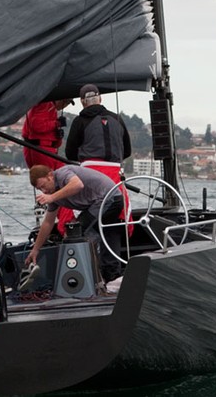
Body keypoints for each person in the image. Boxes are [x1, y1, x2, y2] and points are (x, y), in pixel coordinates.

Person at [25, 163, 124, 284]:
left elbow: (77, 184)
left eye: (44, 185)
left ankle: (96, 280)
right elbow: (48, 222)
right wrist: (35, 250)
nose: (44, 191)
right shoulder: (53, 194)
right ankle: (109, 276)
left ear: (50, 175)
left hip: (109, 198)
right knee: (102, 234)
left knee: (77, 234)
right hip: (97, 204)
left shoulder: (63, 174)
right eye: (40, 189)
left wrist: (51, 198)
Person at [64, 84, 132, 230]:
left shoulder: (79, 121)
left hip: (89, 174)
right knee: (116, 213)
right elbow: (127, 151)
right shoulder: (117, 119)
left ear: (82, 102)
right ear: (100, 98)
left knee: (86, 214)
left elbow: (69, 153)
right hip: (115, 175)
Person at [22, 98, 74, 235]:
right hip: (41, 150)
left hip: (44, 150)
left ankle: (64, 220)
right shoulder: (45, 104)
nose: (65, 105)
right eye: (66, 102)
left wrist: (58, 133)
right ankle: (66, 223)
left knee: (59, 185)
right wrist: (56, 124)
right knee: (60, 185)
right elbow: (36, 125)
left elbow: (49, 136)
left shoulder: (49, 107)